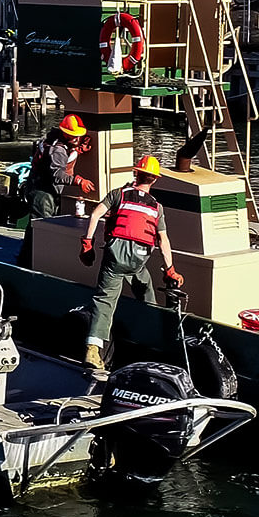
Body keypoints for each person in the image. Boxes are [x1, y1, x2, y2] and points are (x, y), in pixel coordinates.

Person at [78, 155, 184, 371]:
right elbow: (163, 240)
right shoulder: (157, 207)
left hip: (115, 257)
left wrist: (88, 243)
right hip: (138, 259)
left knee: (105, 301)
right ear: (154, 180)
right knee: (147, 292)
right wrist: (170, 270)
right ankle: (152, 342)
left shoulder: (119, 194)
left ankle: (93, 348)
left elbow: (96, 215)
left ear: (136, 173)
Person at [17, 114, 96, 267]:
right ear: (65, 133)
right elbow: (58, 174)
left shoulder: (61, 142)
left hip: (45, 189)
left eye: (78, 136)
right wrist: (78, 180)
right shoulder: (57, 149)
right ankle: (29, 262)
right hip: (42, 191)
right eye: (73, 136)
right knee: (41, 226)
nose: (76, 138)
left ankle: (28, 258)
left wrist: (77, 149)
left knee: (38, 226)